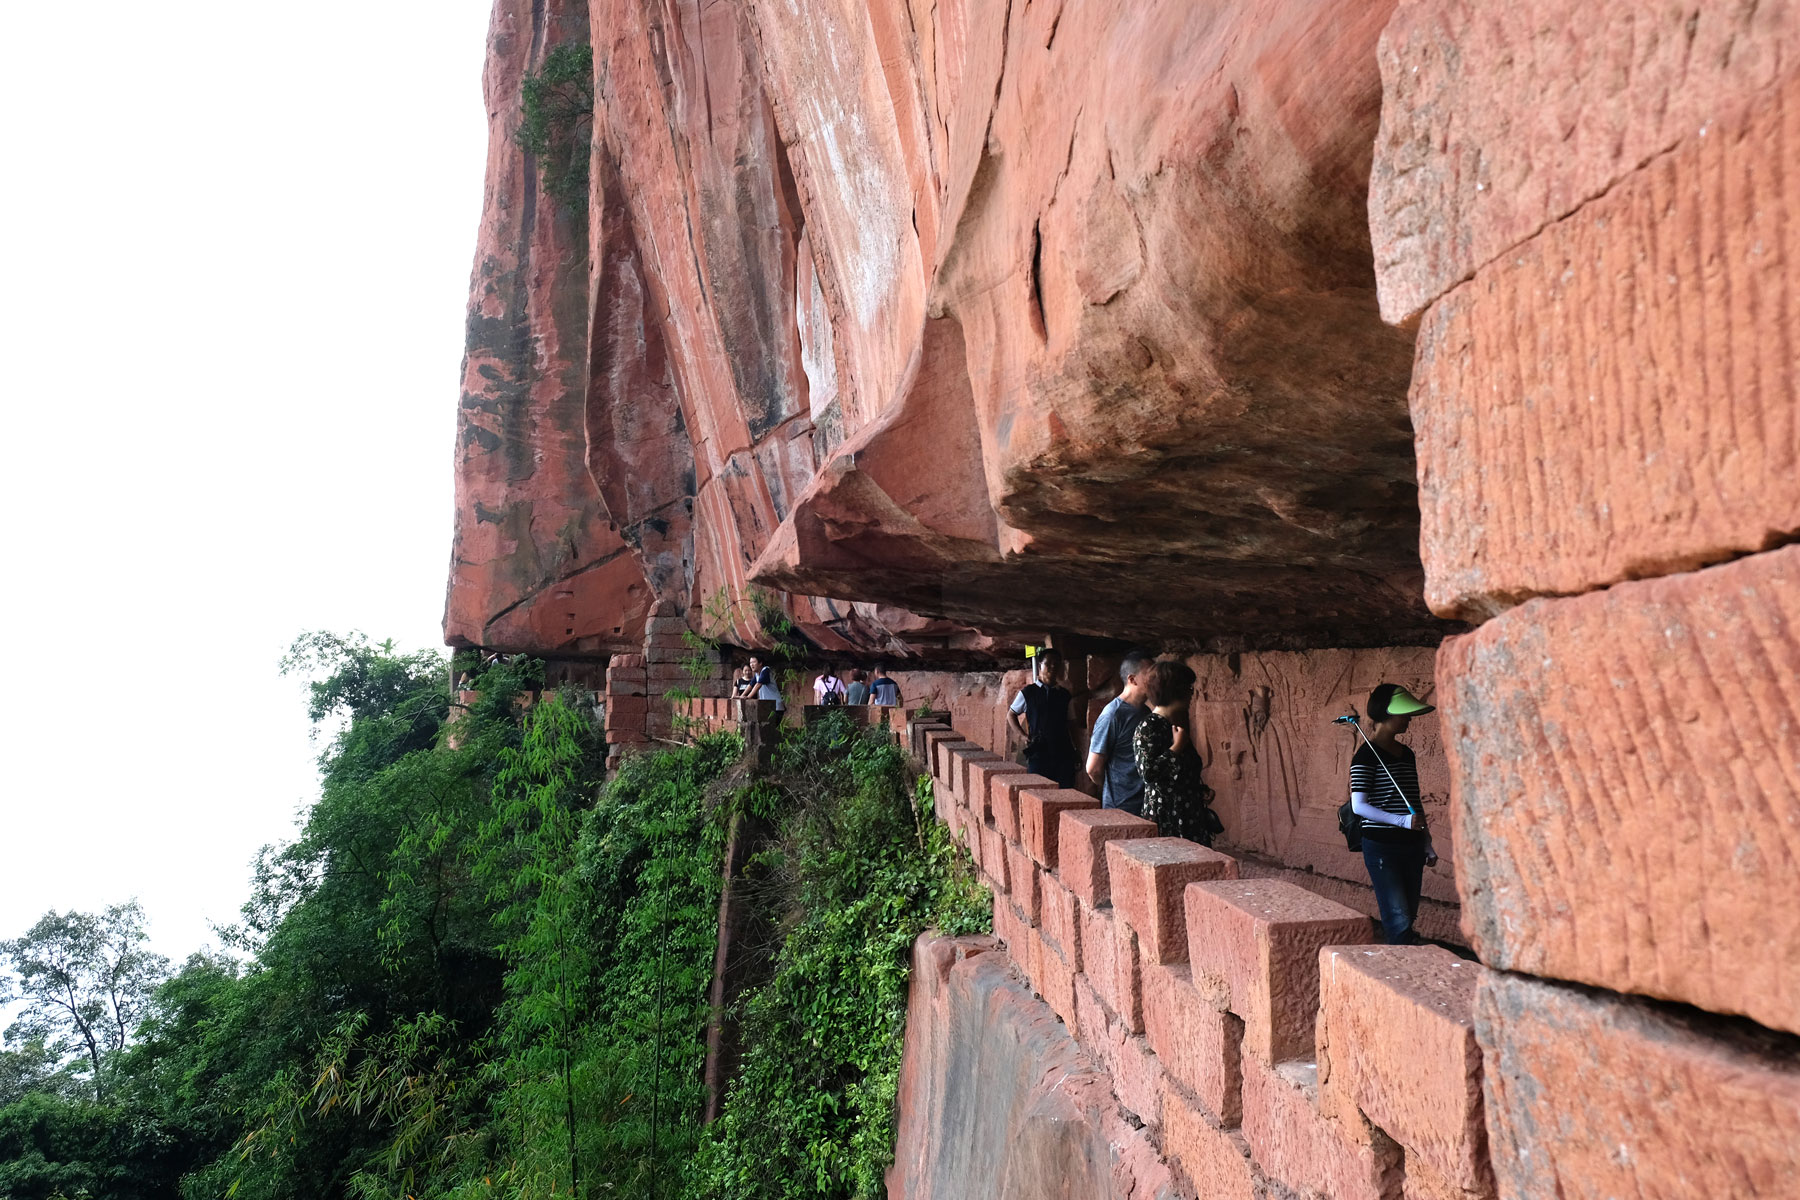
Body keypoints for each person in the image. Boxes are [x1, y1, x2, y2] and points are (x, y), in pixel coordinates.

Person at [1349, 683, 1439, 945]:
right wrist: (1402, 821)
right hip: (1382, 846)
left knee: (1409, 915)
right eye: (1405, 713)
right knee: (1398, 920)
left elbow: (1412, 800)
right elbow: (1359, 806)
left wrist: (1426, 842)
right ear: (1387, 714)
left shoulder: (1407, 754)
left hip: (1411, 843)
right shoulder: (1365, 756)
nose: (1409, 719)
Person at [1133, 659, 1217, 844]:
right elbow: (1148, 772)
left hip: (1189, 814)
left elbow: (1180, 772)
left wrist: (1200, 789)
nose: (1191, 693)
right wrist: (1175, 748)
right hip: (1167, 817)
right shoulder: (1148, 726)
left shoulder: (1173, 723)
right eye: (1188, 688)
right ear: (1175, 690)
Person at [1086, 650, 1155, 814]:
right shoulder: (1112, 715)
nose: (1156, 680)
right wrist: (1116, 789)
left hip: (1146, 805)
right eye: (1150, 676)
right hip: (1121, 807)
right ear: (1132, 679)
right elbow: (1093, 768)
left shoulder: (1145, 712)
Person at [1008, 651, 1079, 786]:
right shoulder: (1028, 693)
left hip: (1063, 753)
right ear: (1040, 665)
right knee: (1038, 791)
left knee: (1065, 792)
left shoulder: (1064, 695)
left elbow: (1072, 723)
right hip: (1039, 752)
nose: (1053, 667)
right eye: (1049, 664)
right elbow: (1011, 715)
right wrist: (1024, 736)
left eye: (1056, 664)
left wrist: (1076, 750)